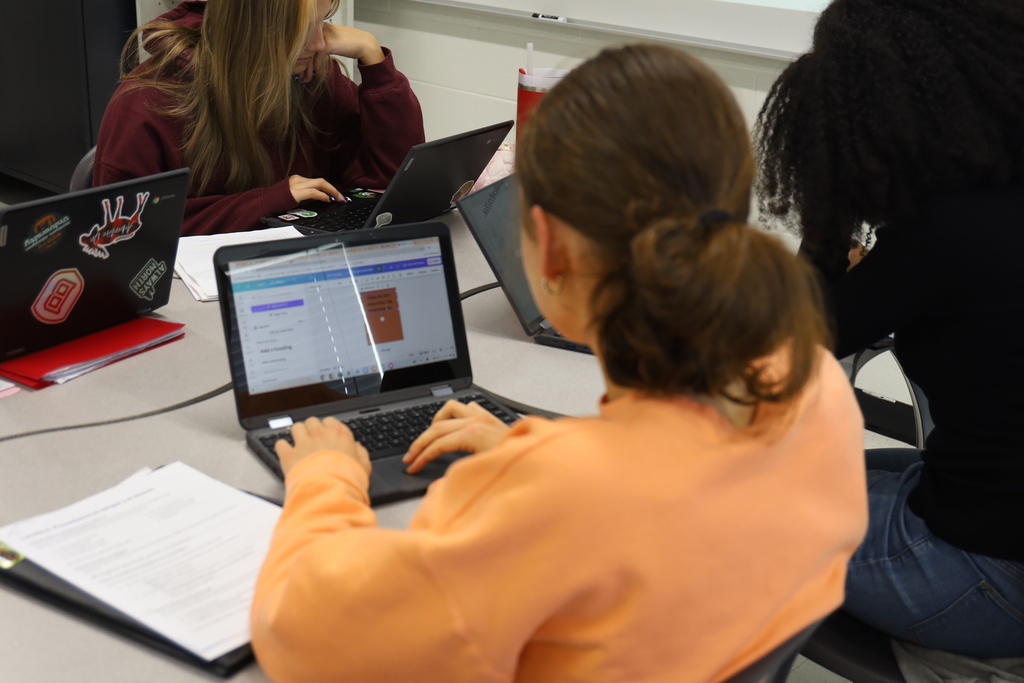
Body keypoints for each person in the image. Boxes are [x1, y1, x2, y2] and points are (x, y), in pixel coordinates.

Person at [250, 44, 868, 682]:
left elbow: (309, 636)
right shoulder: (810, 379)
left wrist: (326, 479)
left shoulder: (551, 499)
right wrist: (534, 446)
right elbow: (667, 483)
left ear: (549, 249)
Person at [754, 0, 1024, 658]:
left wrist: (829, 205)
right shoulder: (996, 197)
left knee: (728, 507)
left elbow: (789, 347)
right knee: (807, 477)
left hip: (987, 576)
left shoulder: (945, 235)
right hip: (989, 515)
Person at [94, 0, 424, 236]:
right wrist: (269, 201)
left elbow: (389, 184)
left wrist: (373, 57)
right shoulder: (146, 102)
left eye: (324, 22)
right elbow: (127, 236)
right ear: (250, 29)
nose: (321, 43)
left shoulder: (311, 76)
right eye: (302, 29)